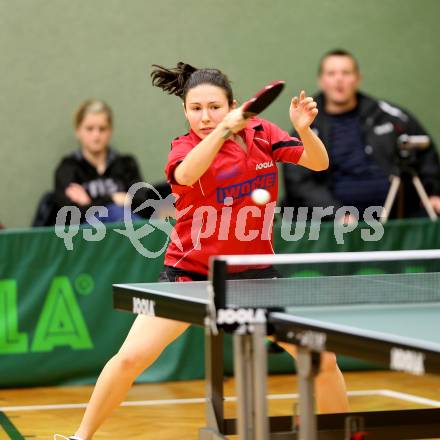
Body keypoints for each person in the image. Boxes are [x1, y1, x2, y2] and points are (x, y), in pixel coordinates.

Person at [56, 62, 348, 440]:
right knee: (131, 358)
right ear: (185, 111)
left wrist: (305, 132)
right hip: (190, 274)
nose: (205, 117)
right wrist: (224, 130)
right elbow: (186, 175)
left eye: (214, 107)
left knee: (322, 357)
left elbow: (319, 162)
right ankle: (81, 437)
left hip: (255, 274)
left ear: (233, 104)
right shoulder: (185, 147)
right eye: (196, 109)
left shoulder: (264, 134)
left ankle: (340, 435)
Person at [282, 49, 440, 220]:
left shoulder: (390, 116)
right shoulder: (307, 126)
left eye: (346, 72)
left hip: (396, 215)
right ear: (321, 81)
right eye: (331, 73)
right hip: (336, 222)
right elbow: (299, 182)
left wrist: (433, 193)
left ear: (357, 78)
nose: (339, 79)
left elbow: (425, 151)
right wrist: (337, 213)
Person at [54, 100, 148, 224]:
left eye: (102, 129)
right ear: (78, 131)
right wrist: (113, 198)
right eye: (89, 129)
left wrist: (89, 204)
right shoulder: (68, 168)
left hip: (126, 231)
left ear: (110, 131)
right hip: (87, 236)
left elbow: (144, 205)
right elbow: (69, 215)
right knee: (114, 210)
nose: (96, 135)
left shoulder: (126, 164)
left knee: (119, 214)